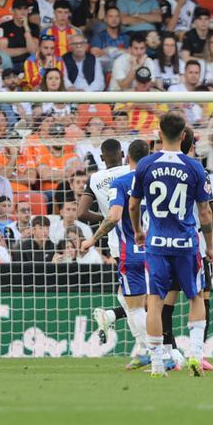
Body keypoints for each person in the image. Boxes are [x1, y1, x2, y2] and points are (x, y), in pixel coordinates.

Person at [128, 111, 213, 377]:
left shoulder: (145, 165)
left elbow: (133, 204)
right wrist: (209, 246)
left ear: (158, 133)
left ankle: (156, 364)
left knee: (154, 301)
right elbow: (206, 213)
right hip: (186, 242)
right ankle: (196, 357)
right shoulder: (194, 167)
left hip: (157, 243)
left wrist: (138, 231)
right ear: (185, 135)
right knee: (196, 296)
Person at [81, 139, 149, 366]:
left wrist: (98, 230)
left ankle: (149, 347)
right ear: (122, 154)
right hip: (158, 243)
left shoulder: (102, 180)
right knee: (148, 300)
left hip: (121, 243)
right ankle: (150, 348)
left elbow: (82, 213)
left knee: (135, 299)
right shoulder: (151, 177)